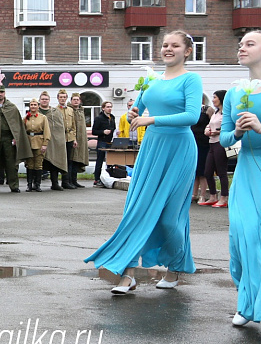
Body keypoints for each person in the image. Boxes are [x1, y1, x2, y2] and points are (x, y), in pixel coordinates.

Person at [85, 31, 202, 294]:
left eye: (175, 45)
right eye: (165, 45)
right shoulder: (151, 79)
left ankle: (174, 268)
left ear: (187, 51)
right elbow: (136, 108)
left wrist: (152, 119)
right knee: (136, 211)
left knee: (170, 219)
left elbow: (192, 116)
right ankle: (127, 275)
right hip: (151, 149)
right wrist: (134, 111)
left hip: (179, 150)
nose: (168, 49)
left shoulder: (191, 78)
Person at [221, 29, 261, 326]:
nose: (242, 48)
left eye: (250, 44)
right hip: (246, 170)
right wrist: (238, 132)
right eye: (240, 43)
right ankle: (248, 303)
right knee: (242, 234)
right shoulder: (234, 93)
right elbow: (226, 139)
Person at [0, 86, 33, 193]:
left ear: (4, 93)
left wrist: (15, 137)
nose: (0, 94)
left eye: (2, 92)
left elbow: (17, 124)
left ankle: (14, 185)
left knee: (11, 163)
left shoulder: (11, 107)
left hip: (8, 138)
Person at [202, 90, 229, 207]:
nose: (213, 100)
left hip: (220, 143)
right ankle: (213, 196)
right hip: (211, 143)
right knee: (207, 172)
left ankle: (224, 197)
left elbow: (228, 127)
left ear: (221, 98)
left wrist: (216, 132)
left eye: (215, 97)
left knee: (221, 171)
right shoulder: (215, 113)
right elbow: (208, 125)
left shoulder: (227, 113)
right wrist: (207, 130)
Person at [38, 91, 68, 191]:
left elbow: (60, 127)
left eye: (46, 99)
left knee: (54, 161)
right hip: (38, 141)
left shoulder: (55, 112)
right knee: (37, 162)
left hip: (54, 141)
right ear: (39, 100)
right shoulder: (35, 112)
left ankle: (54, 183)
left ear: (49, 100)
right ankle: (35, 184)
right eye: (42, 99)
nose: (44, 101)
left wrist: (59, 139)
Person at [190, 93, 214, 203]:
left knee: (202, 171)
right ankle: (194, 193)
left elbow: (214, 123)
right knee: (195, 170)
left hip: (204, 143)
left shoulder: (207, 110)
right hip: (193, 142)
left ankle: (203, 195)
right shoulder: (190, 110)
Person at [23, 99, 50, 192]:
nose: (33, 106)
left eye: (35, 105)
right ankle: (29, 185)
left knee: (38, 165)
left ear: (38, 106)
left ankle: (37, 184)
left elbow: (47, 131)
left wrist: (45, 144)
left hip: (39, 142)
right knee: (29, 164)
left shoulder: (43, 118)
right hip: (29, 143)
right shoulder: (26, 117)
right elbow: (23, 130)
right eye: (31, 105)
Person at [57, 90, 78, 189]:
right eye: (60, 97)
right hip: (60, 138)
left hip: (69, 137)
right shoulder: (55, 110)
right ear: (58, 98)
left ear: (66, 98)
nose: (62, 99)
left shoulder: (70, 110)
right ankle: (57, 182)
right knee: (59, 160)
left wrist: (74, 139)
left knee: (69, 160)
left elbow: (73, 126)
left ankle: (67, 181)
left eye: (64, 97)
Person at [91, 101, 116, 187]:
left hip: (110, 141)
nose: (109, 108)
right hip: (102, 141)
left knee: (111, 161)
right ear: (103, 108)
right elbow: (94, 131)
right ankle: (96, 179)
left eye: (110, 107)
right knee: (100, 161)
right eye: (108, 107)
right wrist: (103, 132)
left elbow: (114, 128)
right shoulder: (99, 118)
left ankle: (109, 178)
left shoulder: (112, 117)